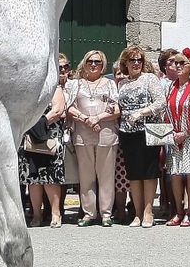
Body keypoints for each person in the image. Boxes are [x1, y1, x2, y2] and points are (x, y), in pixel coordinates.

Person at [65, 51, 120, 226]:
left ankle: (106, 214)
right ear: (85, 62)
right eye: (90, 61)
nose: (93, 64)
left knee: (106, 175)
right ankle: (89, 213)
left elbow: (116, 108)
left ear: (103, 64)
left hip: (106, 133)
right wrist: (86, 119)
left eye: (97, 61)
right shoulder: (76, 84)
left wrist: (98, 118)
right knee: (86, 175)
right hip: (83, 133)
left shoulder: (109, 83)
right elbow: (69, 107)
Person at [114, 46, 166, 227]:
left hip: (147, 131)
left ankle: (148, 211)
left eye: (139, 60)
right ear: (125, 63)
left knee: (149, 172)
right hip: (127, 133)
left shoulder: (149, 79)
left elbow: (161, 102)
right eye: (132, 60)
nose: (136, 63)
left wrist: (141, 112)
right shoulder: (122, 84)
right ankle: (137, 213)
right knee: (134, 174)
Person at [21, 55, 70, 227]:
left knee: (50, 177)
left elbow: (58, 109)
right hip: (30, 135)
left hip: (50, 134)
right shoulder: (27, 89)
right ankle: (36, 215)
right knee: (33, 179)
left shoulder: (53, 87)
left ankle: (56, 214)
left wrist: (39, 124)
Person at [163, 49, 190, 226]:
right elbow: (166, 110)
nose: (177, 66)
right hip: (174, 135)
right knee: (175, 173)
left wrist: (186, 132)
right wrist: (171, 132)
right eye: (175, 63)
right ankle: (178, 211)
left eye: (182, 63)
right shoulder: (171, 87)